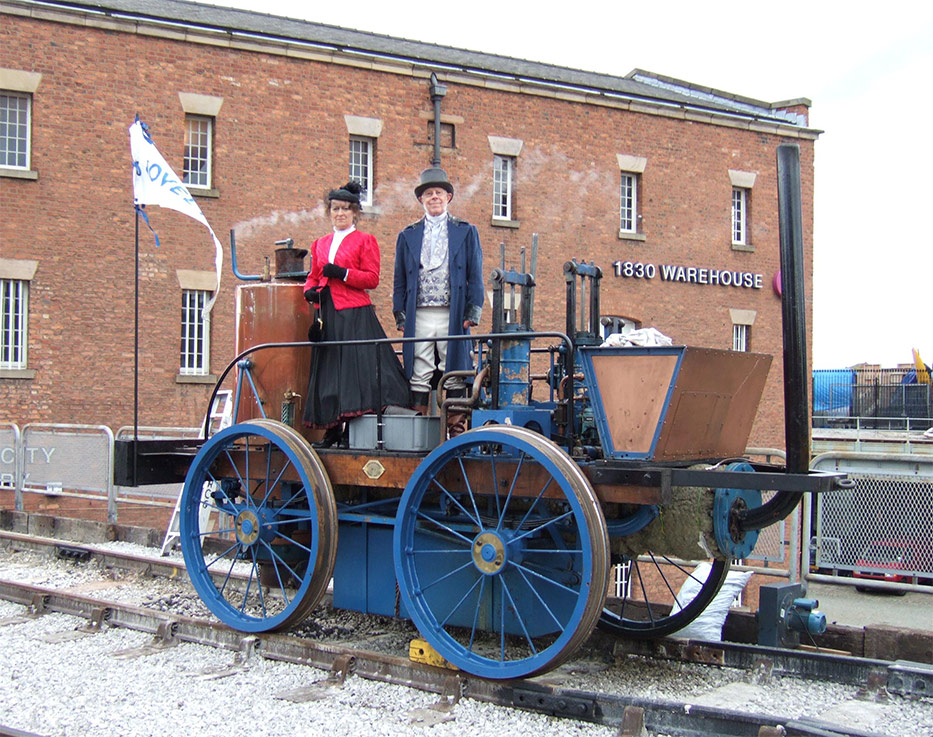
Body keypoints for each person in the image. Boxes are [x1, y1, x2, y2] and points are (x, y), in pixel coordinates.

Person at [303, 181, 410, 447]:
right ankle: (332, 429)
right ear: (330, 212)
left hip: (354, 312)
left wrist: (343, 274)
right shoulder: (320, 243)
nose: (340, 213)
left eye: (345, 209)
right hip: (327, 313)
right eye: (335, 209)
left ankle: (353, 429)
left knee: (354, 373)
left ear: (354, 213)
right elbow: (314, 276)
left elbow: (372, 278)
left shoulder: (365, 240)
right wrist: (310, 291)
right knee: (330, 372)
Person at [393, 167, 484, 437]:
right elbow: (399, 278)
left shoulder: (466, 232)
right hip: (418, 312)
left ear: (448, 197)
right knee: (419, 369)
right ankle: (419, 433)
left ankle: (457, 433)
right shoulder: (406, 235)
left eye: (439, 193)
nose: (434, 197)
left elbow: (475, 275)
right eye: (429, 193)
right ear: (421, 199)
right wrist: (400, 314)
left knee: (453, 369)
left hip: (452, 314)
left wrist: (472, 310)